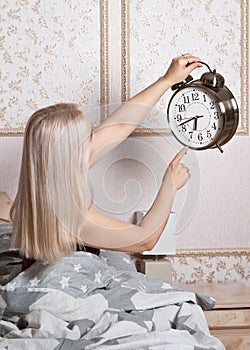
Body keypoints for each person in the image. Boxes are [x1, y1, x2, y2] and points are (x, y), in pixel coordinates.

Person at [10, 53, 202, 267]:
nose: (96, 138)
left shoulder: (39, 191)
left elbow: (120, 125)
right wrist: (171, 185)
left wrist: (167, 80)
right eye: (89, 137)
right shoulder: (75, 221)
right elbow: (145, 239)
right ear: (70, 155)